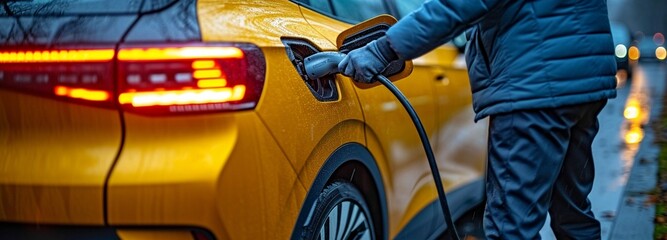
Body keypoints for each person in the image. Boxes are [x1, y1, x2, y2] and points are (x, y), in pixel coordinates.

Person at [338, 0, 617, 239]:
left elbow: (460, 4)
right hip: (584, 80)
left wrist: (383, 49)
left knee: (512, 227)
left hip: (533, 89)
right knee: (573, 212)